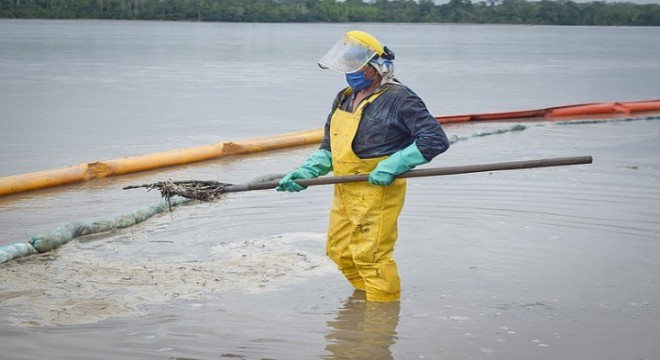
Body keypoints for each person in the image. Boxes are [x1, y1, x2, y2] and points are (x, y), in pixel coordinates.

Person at [277, 30, 449, 302]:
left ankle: (380, 319)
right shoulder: (344, 96)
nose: (350, 72)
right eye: (347, 66)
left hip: (376, 187)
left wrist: (394, 165)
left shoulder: (400, 98)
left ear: (376, 68)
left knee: (371, 256)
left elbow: (434, 140)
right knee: (340, 251)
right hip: (344, 187)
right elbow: (330, 146)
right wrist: (308, 171)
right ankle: (364, 308)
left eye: (357, 66)